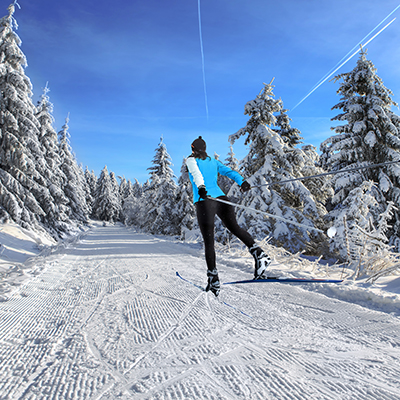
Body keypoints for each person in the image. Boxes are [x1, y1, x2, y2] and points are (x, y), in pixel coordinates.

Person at [186, 136, 271, 296]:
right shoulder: (213, 161)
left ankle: (213, 279)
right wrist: (242, 181)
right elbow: (229, 172)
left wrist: (201, 187)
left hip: (205, 200)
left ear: (193, 149)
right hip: (221, 198)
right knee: (235, 228)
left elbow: (196, 174)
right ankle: (259, 253)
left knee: (209, 240)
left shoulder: (191, 160)